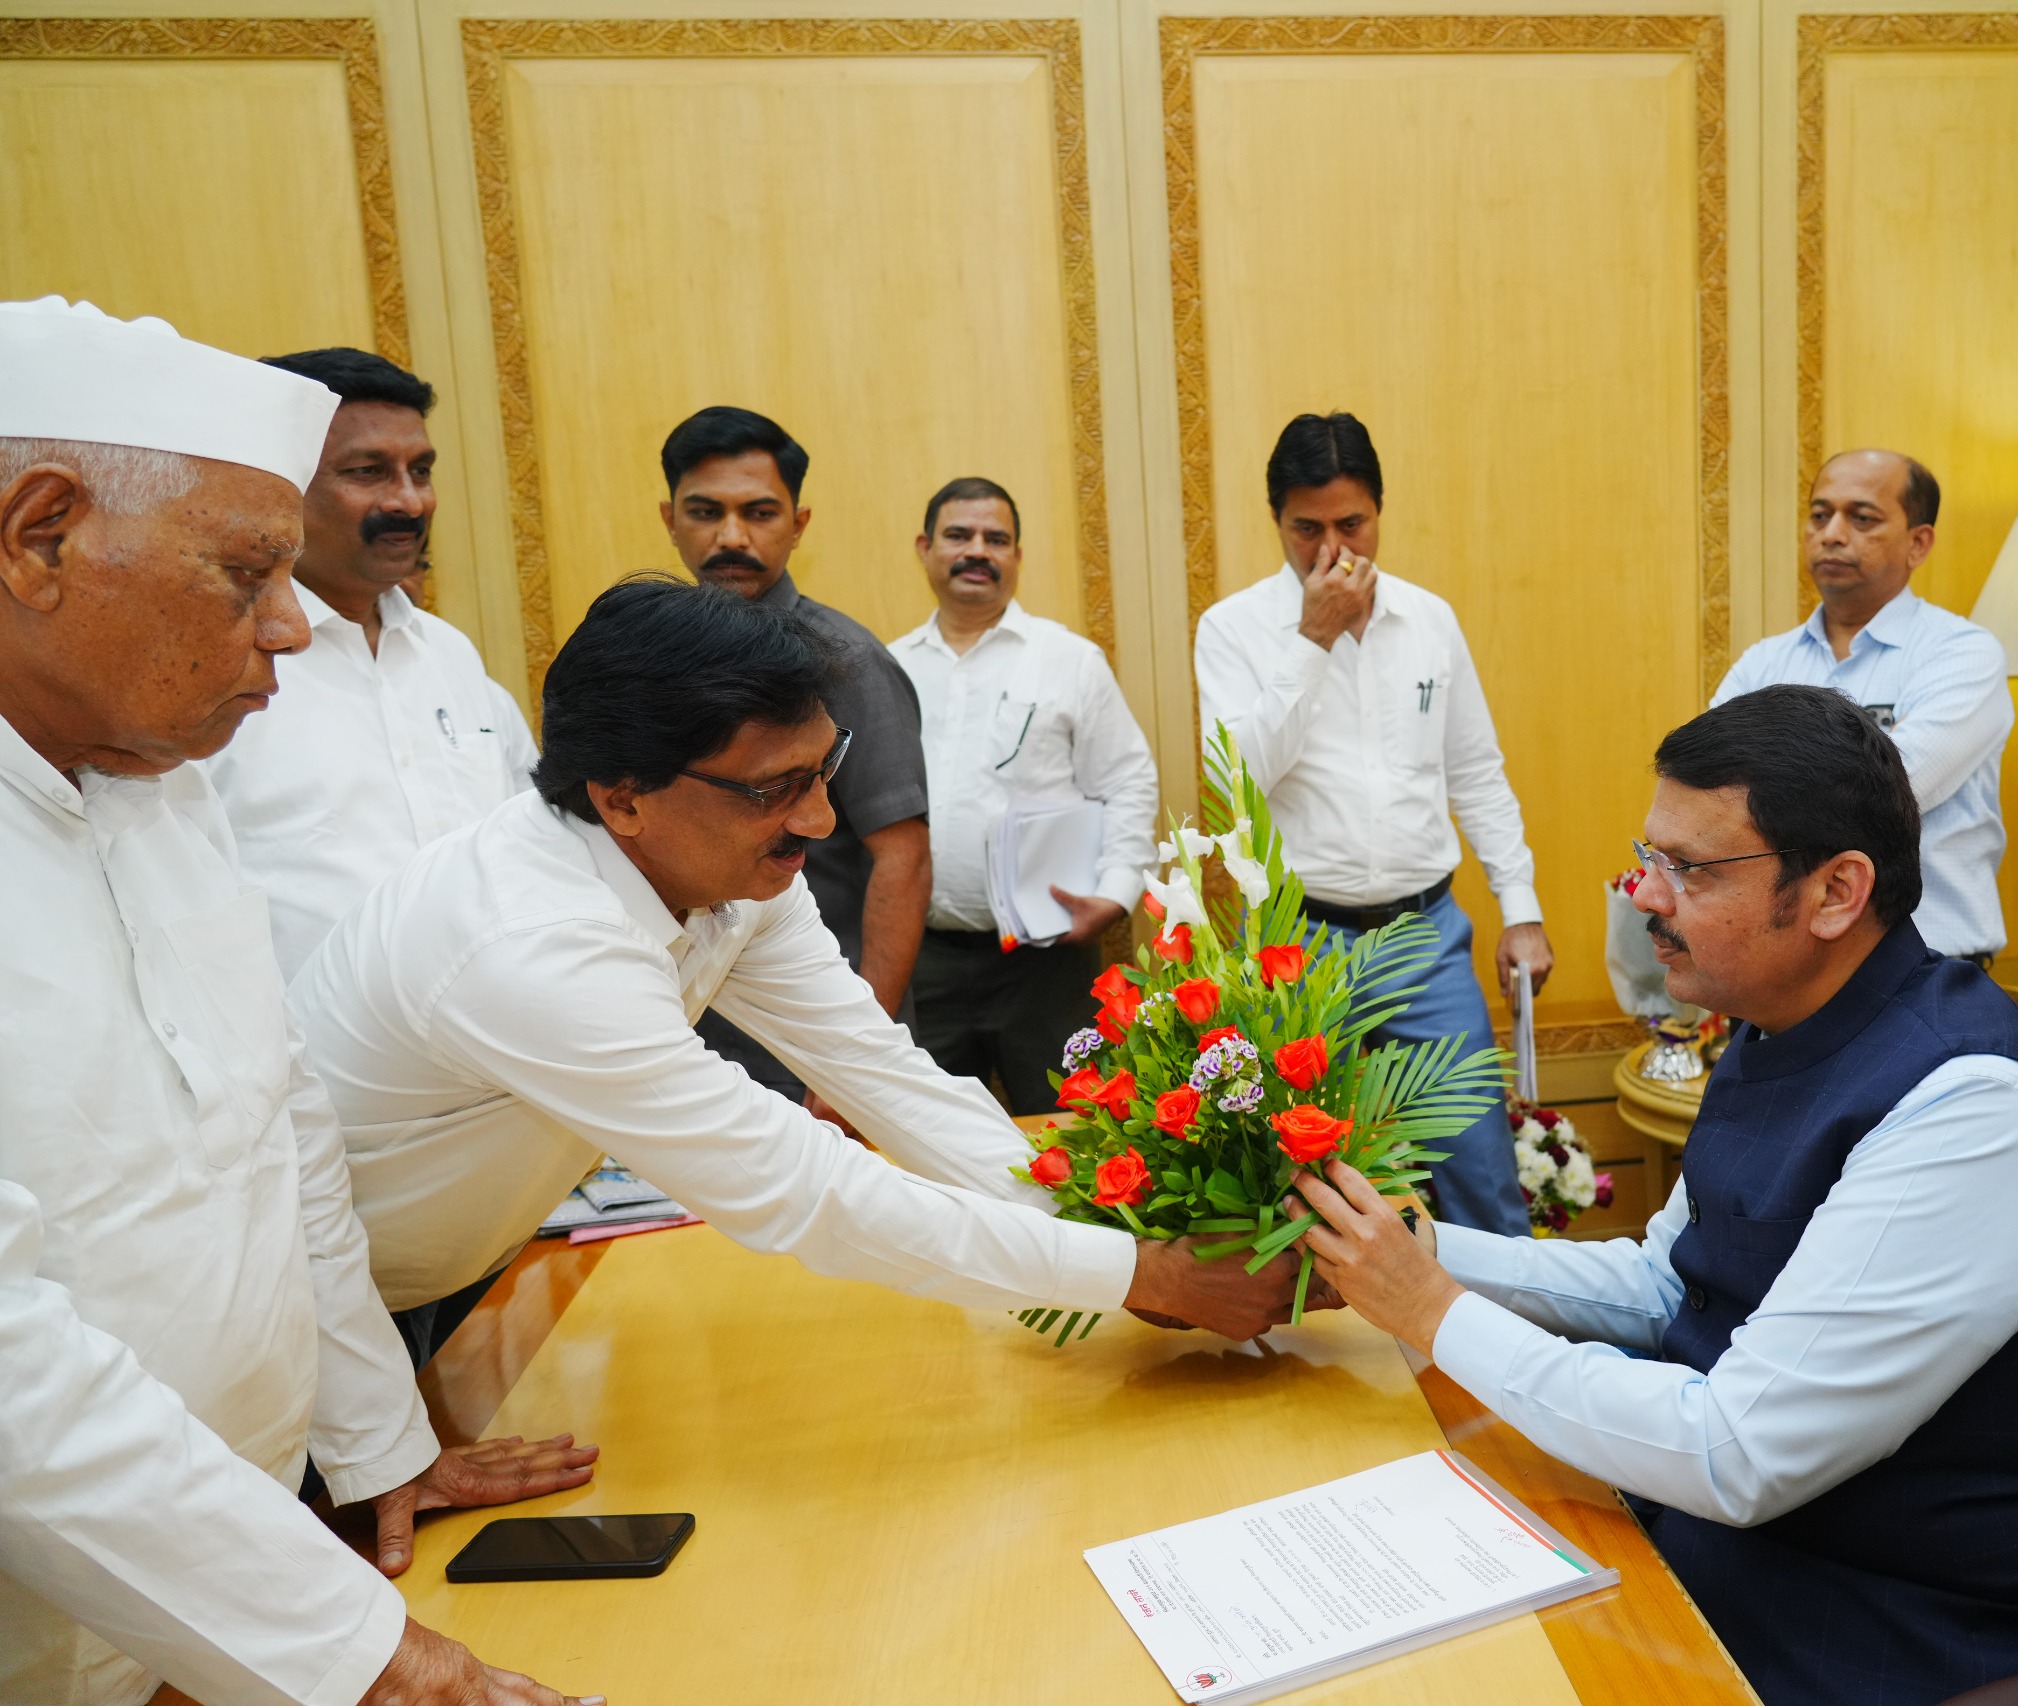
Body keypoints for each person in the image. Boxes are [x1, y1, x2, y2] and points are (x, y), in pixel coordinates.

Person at [1294, 684, 2018, 1706]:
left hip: (1949, 1631)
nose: (1644, 894)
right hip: (1783, 1554)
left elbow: (1735, 1453)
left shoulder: (1975, 1111)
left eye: (1688, 868)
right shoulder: (1784, 1023)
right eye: (1649, 856)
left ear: (1835, 892)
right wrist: (1413, 1250)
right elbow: (1668, 1283)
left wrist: (1430, 1310)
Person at [0, 297, 595, 1706]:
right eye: (245, 574)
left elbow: (285, 1140)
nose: (288, 628)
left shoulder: (166, 787)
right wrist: (368, 1655)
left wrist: (380, 1447)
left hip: (240, 1590)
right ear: (40, 536)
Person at [291, 577, 1303, 1344]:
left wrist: (1113, 1244)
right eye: (773, 789)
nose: (820, 819)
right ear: (623, 796)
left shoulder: (731, 875)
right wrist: (1142, 1276)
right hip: (328, 1312)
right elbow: (802, 1184)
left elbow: (880, 1068)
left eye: (827, 769)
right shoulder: (533, 943)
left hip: (457, 1262)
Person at [1194, 412, 1545, 1234]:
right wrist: (1311, 640)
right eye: (1305, 529)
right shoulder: (1233, 629)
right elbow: (1236, 780)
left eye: (1351, 524)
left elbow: (1476, 773)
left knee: (1481, 1173)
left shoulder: (1430, 620)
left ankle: (1503, 1320)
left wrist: (1521, 908)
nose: (1331, 550)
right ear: (1276, 520)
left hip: (1427, 937)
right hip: (1301, 945)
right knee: (1309, 1185)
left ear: (1379, 511)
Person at [201, 347, 535, 984]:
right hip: (301, 1042)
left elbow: (536, 843)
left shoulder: (450, 655)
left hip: (496, 1028)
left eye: (421, 471)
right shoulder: (212, 668)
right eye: (369, 472)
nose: (410, 502)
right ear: (278, 483)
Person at [659, 405, 930, 1095]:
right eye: (705, 512)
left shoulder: (846, 661)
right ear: (669, 519)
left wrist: (855, 1065)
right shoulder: (655, 662)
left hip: (816, 1035)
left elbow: (903, 861)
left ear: (798, 524)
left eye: (759, 513)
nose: (731, 537)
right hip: (685, 1031)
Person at [887, 477, 1157, 1113]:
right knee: (927, 1138)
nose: (977, 551)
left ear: (1017, 555)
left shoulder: (1070, 660)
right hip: (922, 959)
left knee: (1075, 1132)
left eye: (996, 539)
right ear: (925, 548)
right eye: (959, 535)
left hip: (1045, 961)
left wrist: (1116, 893)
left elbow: (1127, 779)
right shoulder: (890, 666)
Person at [1713, 449, 2010, 965]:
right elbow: (1713, 794)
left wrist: (1770, 777)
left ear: (1918, 542)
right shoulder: (1763, 663)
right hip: (1782, 970)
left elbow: (1888, 793)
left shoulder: (1962, 652)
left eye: (1862, 518)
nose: (1832, 533)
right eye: (1820, 514)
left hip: (1929, 963)